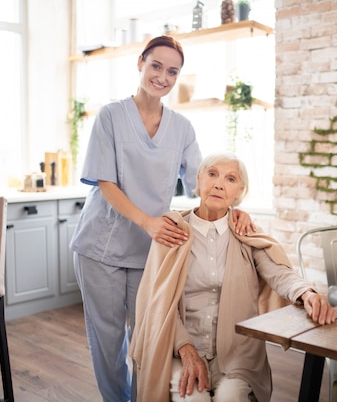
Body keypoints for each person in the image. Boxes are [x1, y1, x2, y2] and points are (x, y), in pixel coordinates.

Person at [70, 36, 254, 402]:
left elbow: (203, 180)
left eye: (173, 71)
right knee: (108, 343)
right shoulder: (111, 116)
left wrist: (236, 205)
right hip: (100, 247)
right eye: (156, 66)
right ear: (141, 63)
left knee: (150, 339)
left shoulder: (182, 128)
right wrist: (148, 222)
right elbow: (105, 182)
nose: (163, 77)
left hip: (153, 253)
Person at [129, 152, 336, 402]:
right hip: (179, 349)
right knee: (194, 398)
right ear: (199, 179)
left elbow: (279, 272)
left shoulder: (244, 232)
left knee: (231, 398)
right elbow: (158, 303)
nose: (218, 184)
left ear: (239, 191)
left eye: (230, 179)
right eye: (212, 174)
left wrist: (307, 293)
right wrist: (185, 349)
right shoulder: (172, 232)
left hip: (238, 352)